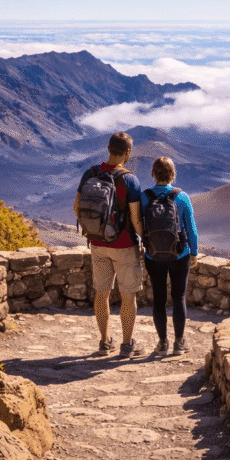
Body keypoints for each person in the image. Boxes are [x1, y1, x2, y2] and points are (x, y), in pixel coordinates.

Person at [74, 132, 145, 357]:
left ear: (108, 149)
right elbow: (135, 219)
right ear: (128, 153)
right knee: (128, 296)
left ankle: (104, 342)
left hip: (97, 243)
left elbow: (76, 207)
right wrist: (144, 240)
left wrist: (93, 230)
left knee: (102, 293)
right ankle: (127, 345)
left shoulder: (91, 173)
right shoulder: (130, 180)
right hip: (124, 245)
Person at [140, 156, 199, 355]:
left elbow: (139, 225)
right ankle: (179, 342)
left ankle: (162, 343)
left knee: (158, 298)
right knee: (179, 297)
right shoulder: (182, 197)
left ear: (153, 174)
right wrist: (194, 253)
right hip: (179, 255)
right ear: (173, 174)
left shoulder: (145, 197)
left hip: (153, 256)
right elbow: (191, 229)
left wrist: (147, 244)